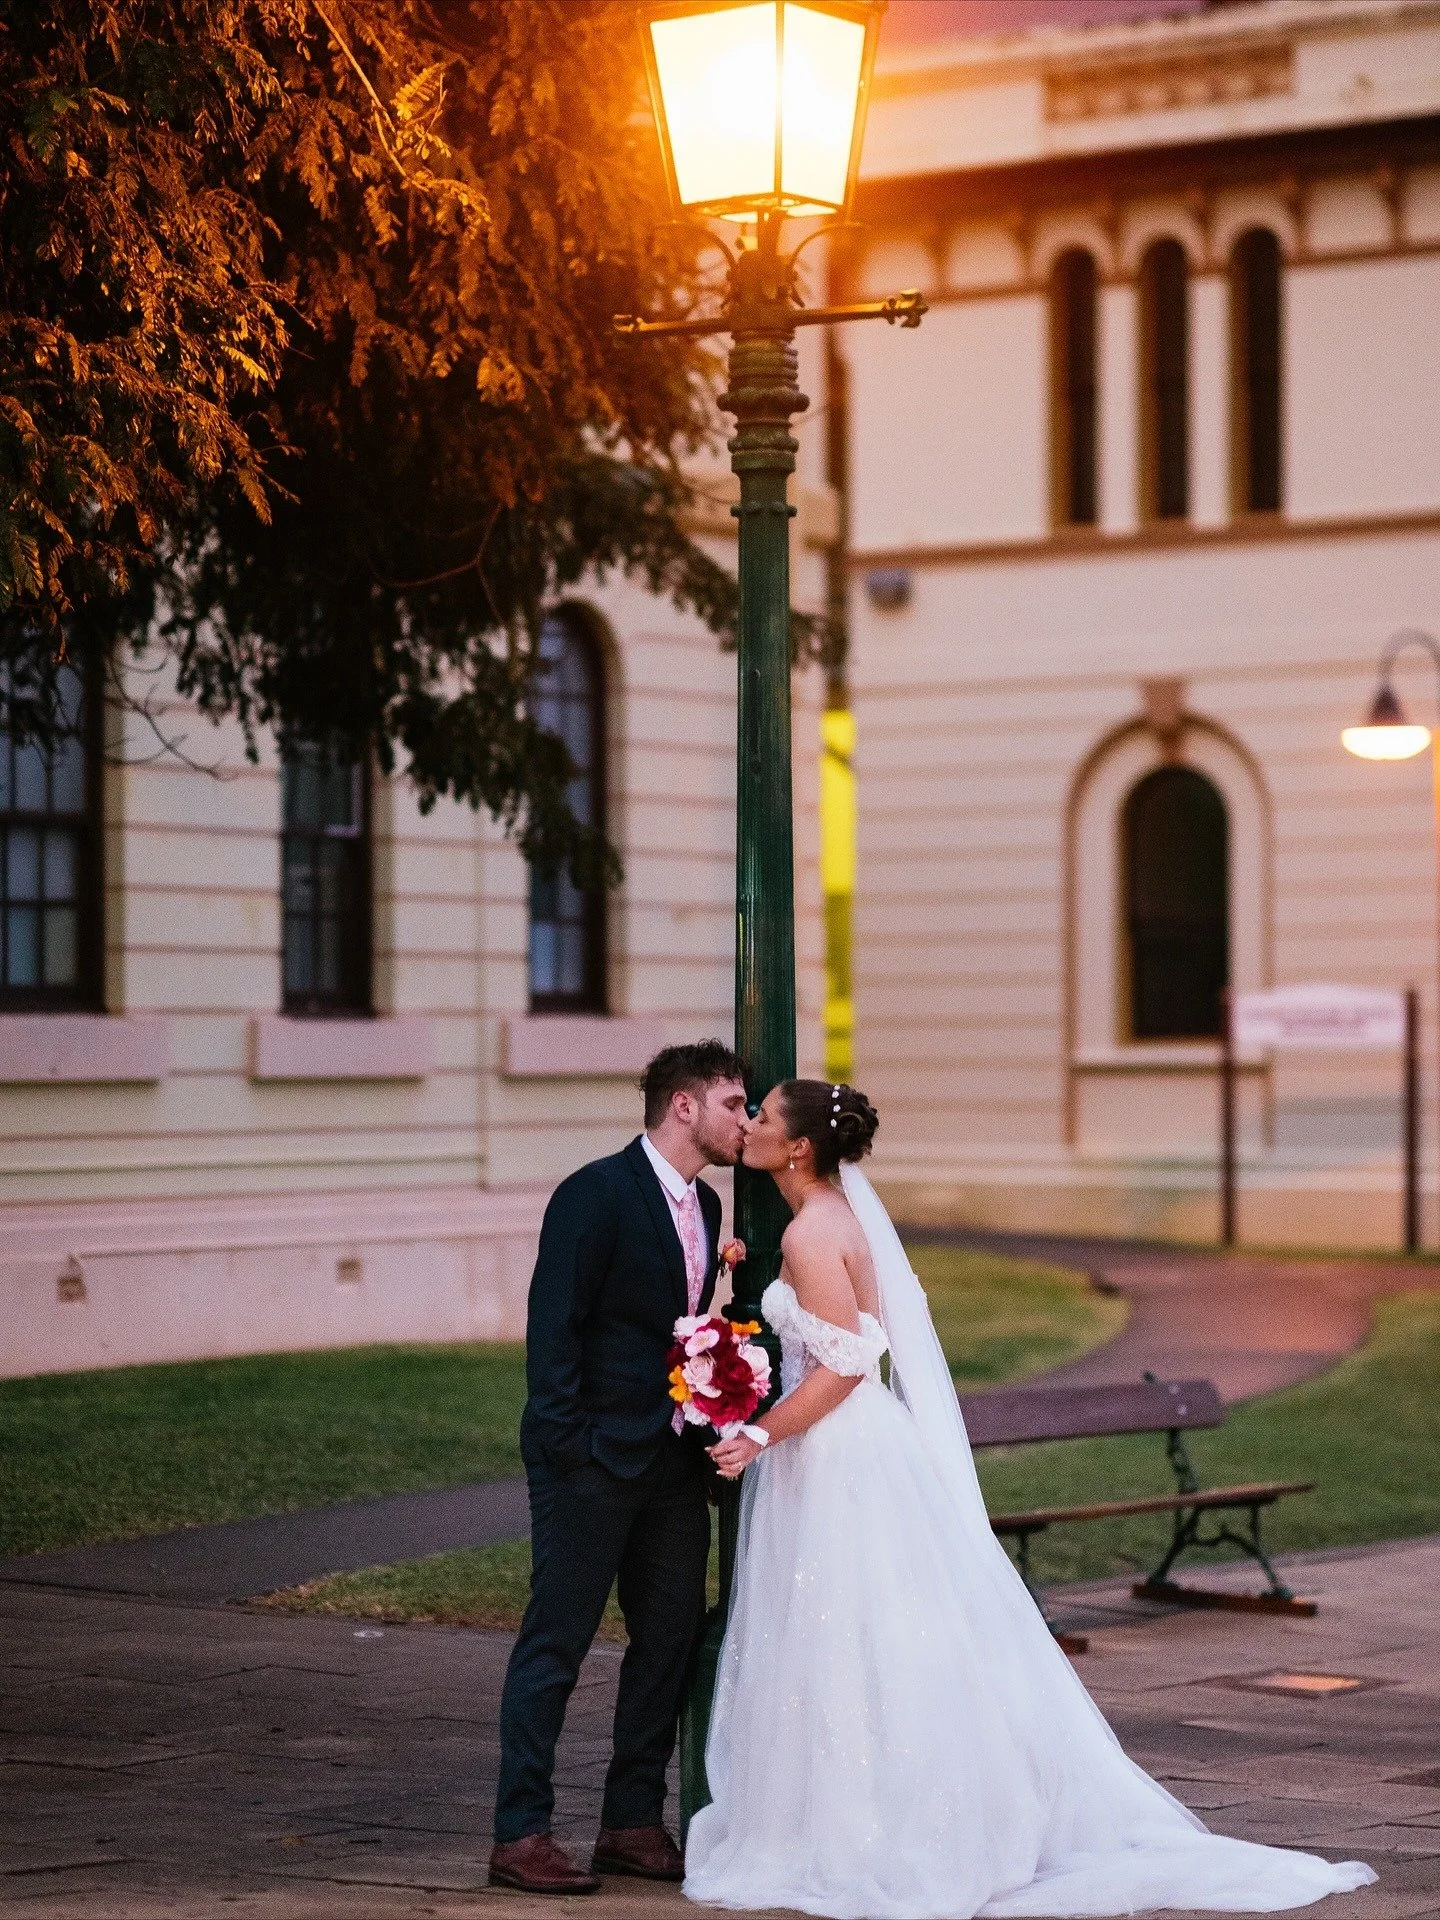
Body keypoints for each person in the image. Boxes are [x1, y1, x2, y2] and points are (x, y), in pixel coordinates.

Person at [686, 1079, 1376, 1919]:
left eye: (761, 1118)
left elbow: (844, 1364)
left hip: (835, 1457)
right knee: (865, 1632)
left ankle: (858, 1824)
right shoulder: (831, 1219)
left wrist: (760, 1435)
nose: (749, 1127)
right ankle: (864, 1806)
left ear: (797, 1148)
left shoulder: (808, 1231)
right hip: (847, 1453)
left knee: (844, 1630)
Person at [489, 1041, 748, 1896]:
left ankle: (630, 1822)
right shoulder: (593, 1194)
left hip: (671, 1465)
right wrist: (570, 1446)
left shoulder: (708, 1209)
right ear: (684, 1106)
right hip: (591, 1460)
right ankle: (520, 1833)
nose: (742, 1123)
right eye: (732, 1104)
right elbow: (553, 1327)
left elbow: (672, 1327)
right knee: (555, 1645)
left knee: (668, 1640)